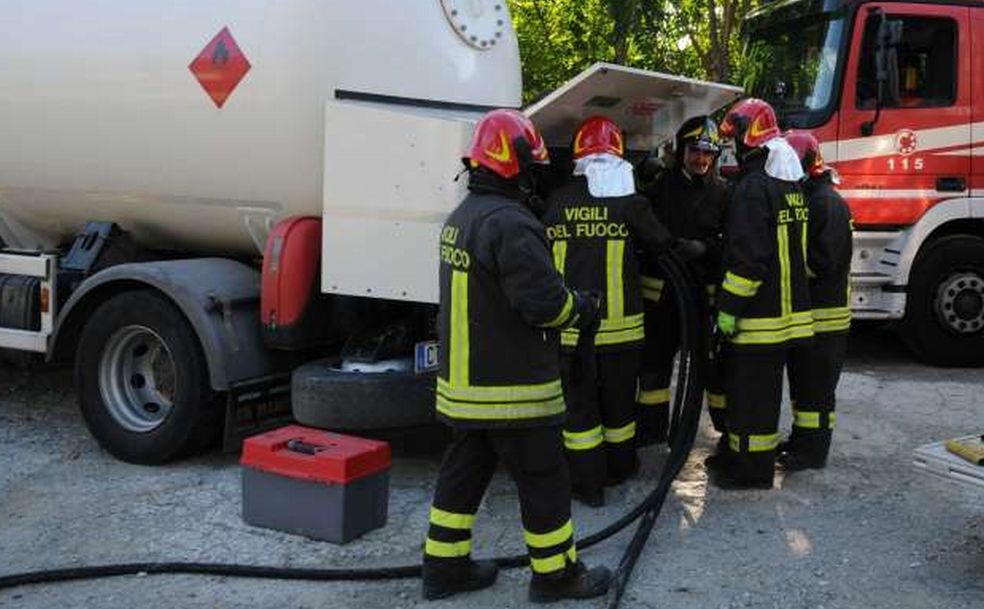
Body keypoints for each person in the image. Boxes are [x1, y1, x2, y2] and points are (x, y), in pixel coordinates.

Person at [422, 108, 611, 603]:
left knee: (462, 478)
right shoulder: (511, 223)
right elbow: (543, 304)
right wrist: (583, 310)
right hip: (513, 391)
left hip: (465, 391)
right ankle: (556, 576)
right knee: (544, 480)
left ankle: (444, 570)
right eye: (532, 166)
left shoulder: (460, 218)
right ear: (516, 163)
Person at [541, 115, 677, 507]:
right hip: (624, 334)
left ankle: (587, 484)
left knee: (579, 413)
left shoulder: (557, 202)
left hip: (572, 333)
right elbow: (662, 243)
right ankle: (620, 468)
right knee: (619, 409)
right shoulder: (631, 204)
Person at [710, 98, 814, 490]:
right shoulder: (789, 183)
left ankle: (751, 473)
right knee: (762, 398)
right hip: (786, 316)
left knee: (752, 401)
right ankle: (742, 459)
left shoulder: (754, 188)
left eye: (735, 136)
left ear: (748, 136)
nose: (732, 145)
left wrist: (728, 306)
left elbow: (749, 259)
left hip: (759, 318)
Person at [638, 116, 730, 448]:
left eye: (708, 153)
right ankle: (651, 431)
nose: (701, 159)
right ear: (681, 150)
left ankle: (726, 429)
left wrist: (705, 248)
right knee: (654, 367)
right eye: (695, 151)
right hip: (661, 298)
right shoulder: (660, 187)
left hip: (700, 300)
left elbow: (731, 243)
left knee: (712, 368)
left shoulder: (723, 193)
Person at [782, 130, 853, 470]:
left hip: (825, 319)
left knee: (816, 391)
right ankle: (801, 441)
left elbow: (822, 262)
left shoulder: (826, 203)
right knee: (805, 386)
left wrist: (784, 266)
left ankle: (811, 454)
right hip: (812, 317)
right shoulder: (814, 197)